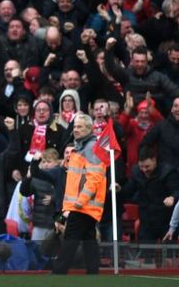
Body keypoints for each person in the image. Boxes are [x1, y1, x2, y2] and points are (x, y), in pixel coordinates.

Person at [52, 113, 107, 275]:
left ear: (90, 129)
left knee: (71, 238)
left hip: (82, 205)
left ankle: (58, 272)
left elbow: (94, 179)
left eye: (80, 126)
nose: (76, 129)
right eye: (75, 126)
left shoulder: (90, 148)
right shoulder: (82, 146)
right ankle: (93, 272)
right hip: (85, 205)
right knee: (89, 239)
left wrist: (79, 202)